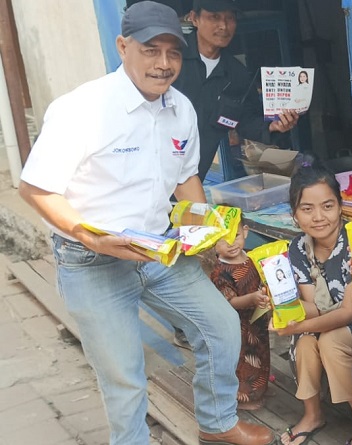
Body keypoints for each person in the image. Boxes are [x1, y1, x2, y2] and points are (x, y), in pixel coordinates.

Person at [17, 3, 274, 444]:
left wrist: (207, 232)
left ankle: (216, 423)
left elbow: (185, 178)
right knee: (123, 373)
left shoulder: (181, 110)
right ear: (123, 47)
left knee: (221, 326)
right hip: (90, 259)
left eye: (173, 53)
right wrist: (88, 237)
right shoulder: (83, 109)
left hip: (159, 250)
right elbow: (36, 188)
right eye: (150, 50)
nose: (163, 64)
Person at [274, 164, 352, 445]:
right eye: (307, 209)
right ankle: (313, 414)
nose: (318, 217)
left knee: (328, 340)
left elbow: (349, 312)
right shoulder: (298, 247)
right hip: (334, 321)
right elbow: (314, 307)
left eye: (327, 206)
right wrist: (281, 308)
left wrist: (299, 324)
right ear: (294, 214)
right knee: (305, 340)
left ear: (341, 206)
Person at [173, 0, 299, 182]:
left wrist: (273, 126)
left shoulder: (237, 74)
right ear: (194, 18)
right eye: (214, 17)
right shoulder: (172, 59)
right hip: (150, 173)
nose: (223, 26)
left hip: (192, 179)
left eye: (229, 18)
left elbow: (246, 120)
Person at [210, 220, 271, 411]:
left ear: (245, 231)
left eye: (234, 235)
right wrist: (252, 298)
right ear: (211, 242)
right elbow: (230, 301)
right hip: (237, 327)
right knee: (242, 362)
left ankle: (260, 389)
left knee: (261, 355)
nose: (231, 243)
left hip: (257, 322)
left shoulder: (252, 256)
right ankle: (244, 398)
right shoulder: (220, 271)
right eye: (222, 239)